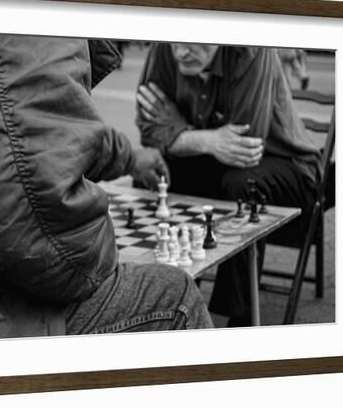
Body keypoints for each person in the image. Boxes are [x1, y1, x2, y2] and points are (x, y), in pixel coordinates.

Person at [0, 33, 213, 338]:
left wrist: (129, 157)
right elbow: (56, 249)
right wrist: (106, 255)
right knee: (176, 294)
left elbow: (45, 138)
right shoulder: (35, 26)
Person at [136, 42, 321, 326]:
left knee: (239, 185)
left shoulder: (251, 49)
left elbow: (245, 146)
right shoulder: (164, 46)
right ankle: (173, 293)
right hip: (215, 163)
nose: (181, 51)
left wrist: (175, 128)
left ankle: (237, 319)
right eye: (176, 42)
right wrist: (208, 140)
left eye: (193, 42)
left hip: (289, 166)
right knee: (154, 172)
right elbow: (149, 133)